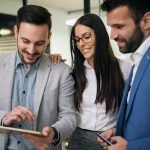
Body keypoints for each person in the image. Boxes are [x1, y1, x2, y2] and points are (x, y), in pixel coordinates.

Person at [0, 5, 77, 150]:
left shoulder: (62, 71)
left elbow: (70, 116)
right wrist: (4, 117)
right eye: (26, 41)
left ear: (49, 37)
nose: (31, 50)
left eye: (39, 43)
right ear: (16, 32)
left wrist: (54, 132)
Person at [67, 13, 129, 150]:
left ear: (100, 35)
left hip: (107, 139)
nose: (81, 44)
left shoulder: (124, 68)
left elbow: (131, 111)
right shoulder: (75, 72)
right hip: (77, 139)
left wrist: (115, 129)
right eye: (77, 40)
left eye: (86, 37)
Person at [98, 0, 150, 149]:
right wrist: (117, 130)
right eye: (111, 27)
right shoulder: (138, 59)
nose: (112, 35)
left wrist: (131, 147)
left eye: (119, 27)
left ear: (146, 21)